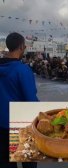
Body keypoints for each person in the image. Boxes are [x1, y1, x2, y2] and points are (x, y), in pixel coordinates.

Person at [0, 32, 38, 168]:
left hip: (2, 125)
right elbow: (31, 99)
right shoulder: (22, 70)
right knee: (28, 160)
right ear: (22, 47)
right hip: (21, 124)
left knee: (5, 162)